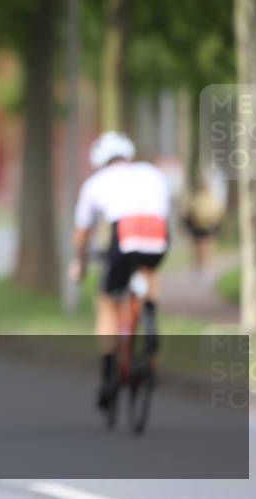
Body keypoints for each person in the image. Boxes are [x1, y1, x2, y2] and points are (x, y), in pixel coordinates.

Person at [68, 131, 172, 410]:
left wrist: (80, 262)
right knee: (149, 276)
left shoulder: (95, 183)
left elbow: (82, 234)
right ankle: (149, 323)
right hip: (158, 234)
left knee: (107, 301)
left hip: (124, 233)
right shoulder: (152, 172)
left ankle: (108, 369)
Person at [182, 177, 225, 283]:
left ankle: (207, 270)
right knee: (196, 250)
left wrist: (211, 219)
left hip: (209, 227)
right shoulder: (195, 198)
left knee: (207, 248)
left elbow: (217, 213)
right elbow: (189, 212)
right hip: (196, 227)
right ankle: (197, 269)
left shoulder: (212, 198)